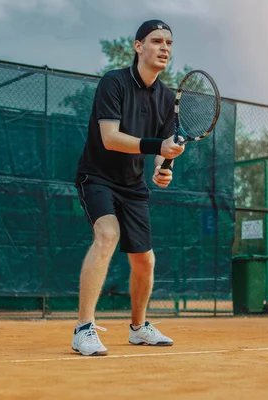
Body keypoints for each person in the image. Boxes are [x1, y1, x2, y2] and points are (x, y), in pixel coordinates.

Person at [71, 19, 184, 356]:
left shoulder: (167, 98)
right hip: (97, 176)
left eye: (169, 42)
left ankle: (138, 328)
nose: (164, 47)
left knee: (144, 261)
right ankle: (83, 330)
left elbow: (166, 149)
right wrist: (158, 149)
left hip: (133, 185)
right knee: (107, 235)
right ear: (138, 47)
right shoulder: (114, 83)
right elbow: (110, 138)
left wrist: (165, 169)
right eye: (156, 40)